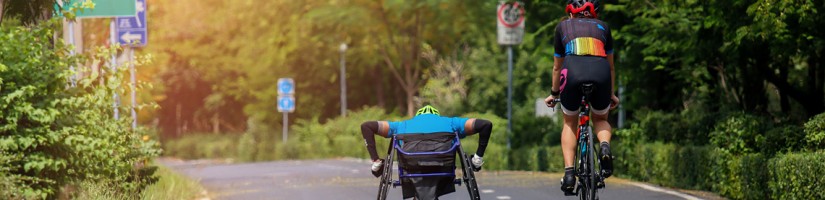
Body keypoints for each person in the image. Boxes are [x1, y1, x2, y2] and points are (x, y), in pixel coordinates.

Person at [543, 0, 619, 195]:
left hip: (572, 70)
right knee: (601, 118)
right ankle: (604, 147)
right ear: (594, 13)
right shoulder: (604, 27)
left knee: (570, 122)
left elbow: (557, 67)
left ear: (571, 13)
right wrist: (610, 94)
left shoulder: (562, 27)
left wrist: (553, 94)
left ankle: (569, 174)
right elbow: (611, 66)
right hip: (601, 71)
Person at [361, 105, 493, 200]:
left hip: (412, 169)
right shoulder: (451, 123)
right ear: (437, 116)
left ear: (417, 117)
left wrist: (376, 161)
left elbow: (366, 126)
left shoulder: (402, 125)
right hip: (443, 168)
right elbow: (485, 124)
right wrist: (477, 159)